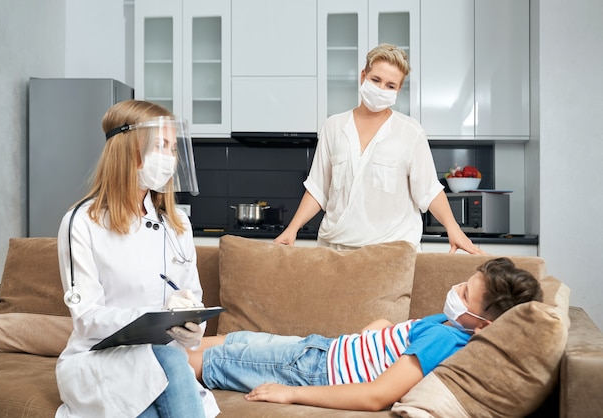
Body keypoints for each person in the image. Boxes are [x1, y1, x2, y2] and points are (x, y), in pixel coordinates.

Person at [188, 257, 542, 412]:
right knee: (227, 341)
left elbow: (376, 395)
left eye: (466, 294)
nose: (456, 289)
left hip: (312, 370)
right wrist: (384, 328)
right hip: (318, 350)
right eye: (465, 282)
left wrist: (292, 394)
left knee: (198, 360)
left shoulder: (448, 341)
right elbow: (408, 338)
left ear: (484, 325)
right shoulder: (451, 326)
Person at [55, 100, 219, 418]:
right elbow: (86, 317)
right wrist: (154, 316)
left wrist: (193, 327)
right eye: (161, 145)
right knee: (167, 365)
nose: (170, 158)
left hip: (161, 360)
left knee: (165, 368)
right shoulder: (82, 222)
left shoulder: (178, 225)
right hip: (98, 359)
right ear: (130, 149)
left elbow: (193, 299)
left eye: (173, 148)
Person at [274, 43, 482, 254]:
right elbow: (318, 189)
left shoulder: (410, 132)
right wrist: (292, 229)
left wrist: (453, 229)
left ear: (398, 90)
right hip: (334, 250)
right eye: (376, 80)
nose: (381, 89)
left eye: (390, 85)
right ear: (363, 76)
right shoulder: (333, 126)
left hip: (391, 253)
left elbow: (429, 191)